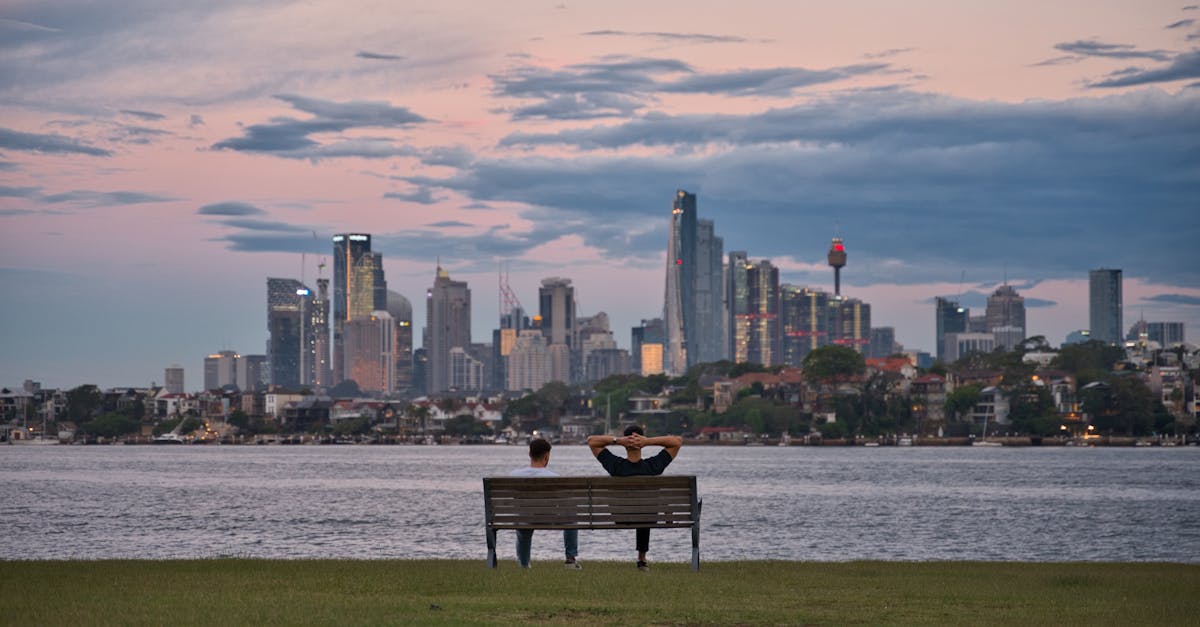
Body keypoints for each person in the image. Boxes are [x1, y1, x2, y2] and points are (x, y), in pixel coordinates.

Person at [586, 425, 683, 572]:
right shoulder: (653, 466)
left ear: (625, 443)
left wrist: (618, 440)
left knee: (642, 509)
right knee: (645, 510)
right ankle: (642, 559)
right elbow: (677, 441)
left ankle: (642, 558)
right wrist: (647, 441)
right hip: (647, 517)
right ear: (641, 443)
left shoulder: (615, 466)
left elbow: (592, 441)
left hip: (620, 516)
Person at [509, 437, 581, 569]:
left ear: (529, 454)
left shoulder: (514, 475)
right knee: (571, 519)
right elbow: (565, 504)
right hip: (549, 518)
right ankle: (570, 560)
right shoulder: (554, 478)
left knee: (523, 522)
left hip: (523, 519)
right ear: (547, 456)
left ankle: (523, 564)